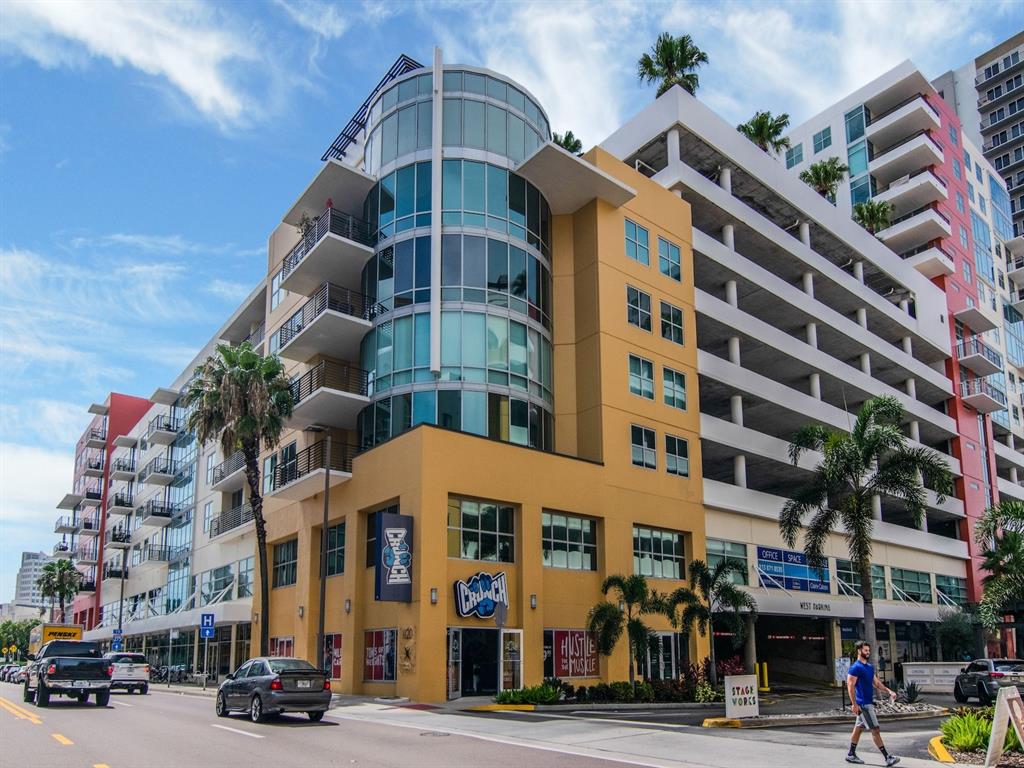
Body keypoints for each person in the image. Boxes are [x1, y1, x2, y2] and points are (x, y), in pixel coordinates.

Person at [846, 640, 899, 766]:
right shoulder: (855, 668)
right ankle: (887, 758)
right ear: (859, 651)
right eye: (865, 650)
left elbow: (876, 683)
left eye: (869, 650)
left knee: (858, 728)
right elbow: (850, 686)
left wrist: (889, 691)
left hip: (867, 702)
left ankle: (851, 754)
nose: (868, 652)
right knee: (875, 729)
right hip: (863, 704)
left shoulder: (869, 667)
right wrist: (854, 704)